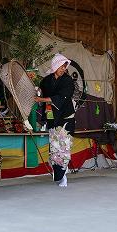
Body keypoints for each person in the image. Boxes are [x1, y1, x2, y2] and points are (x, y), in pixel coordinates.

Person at [35, 53, 75, 187]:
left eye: (65, 66)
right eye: (61, 66)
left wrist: (42, 99)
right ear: (55, 66)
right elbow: (41, 95)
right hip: (52, 116)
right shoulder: (46, 81)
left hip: (65, 117)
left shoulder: (68, 81)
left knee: (63, 146)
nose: (63, 68)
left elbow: (62, 96)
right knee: (54, 146)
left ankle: (61, 174)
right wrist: (37, 94)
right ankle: (59, 173)